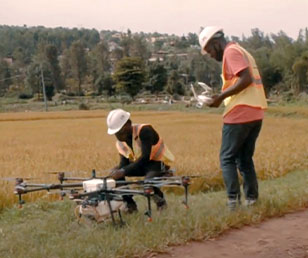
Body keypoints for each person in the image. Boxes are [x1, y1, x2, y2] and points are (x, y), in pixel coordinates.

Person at [198, 26, 267, 210]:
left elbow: (246, 79)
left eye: (210, 50)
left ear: (216, 42)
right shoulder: (241, 50)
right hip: (255, 112)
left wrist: (219, 98)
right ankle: (252, 201)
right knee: (244, 159)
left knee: (227, 158)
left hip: (239, 113)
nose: (211, 55)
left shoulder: (230, 52)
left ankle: (233, 203)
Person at [106, 108, 175, 212]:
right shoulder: (120, 143)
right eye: (116, 133)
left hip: (157, 163)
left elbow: (145, 157)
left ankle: (161, 203)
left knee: (147, 183)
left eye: (120, 131)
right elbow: (124, 163)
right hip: (141, 165)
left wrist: (123, 171)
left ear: (128, 124)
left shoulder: (144, 131)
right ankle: (130, 204)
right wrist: (118, 172)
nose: (119, 135)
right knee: (116, 174)